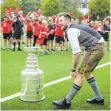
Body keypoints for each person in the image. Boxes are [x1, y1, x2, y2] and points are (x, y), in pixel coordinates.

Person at [52, 13, 106, 109]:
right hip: (94, 47)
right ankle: (99, 98)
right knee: (87, 73)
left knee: (81, 73)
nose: (59, 23)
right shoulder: (73, 28)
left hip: (96, 47)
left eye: (61, 21)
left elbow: (77, 53)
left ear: (68, 21)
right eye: (58, 21)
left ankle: (67, 102)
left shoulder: (71, 30)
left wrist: (73, 69)